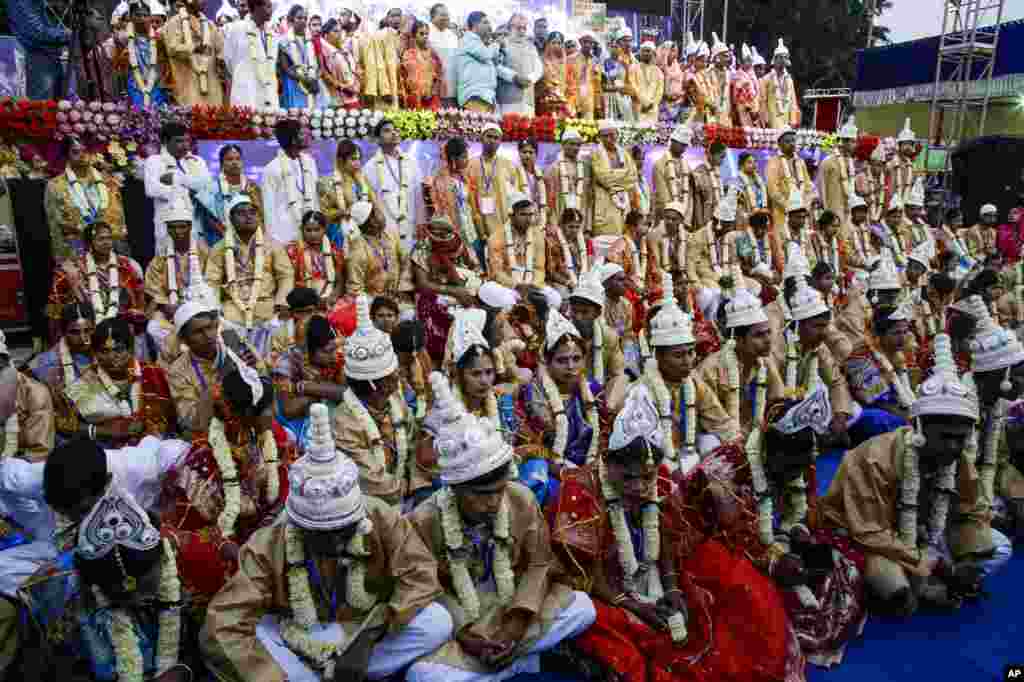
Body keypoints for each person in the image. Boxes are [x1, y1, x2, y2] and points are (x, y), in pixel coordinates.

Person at [552, 384, 803, 682]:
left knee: (738, 584)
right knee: (604, 629)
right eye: (629, 477)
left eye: (646, 476)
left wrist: (671, 587)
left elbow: (668, 539)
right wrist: (631, 604)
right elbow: (582, 573)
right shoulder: (580, 491)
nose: (639, 487)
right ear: (608, 462)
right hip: (604, 590)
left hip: (653, 576)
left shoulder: (658, 481)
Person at [202, 402, 452, 682]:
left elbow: (419, 576)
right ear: (298, 525)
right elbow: (222, 622)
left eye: (342, 531)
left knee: (436, 621)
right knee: (258, 630)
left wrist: (368, 637)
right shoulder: (270, 543)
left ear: (358, 517)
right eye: (321, 534)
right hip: (297, 635)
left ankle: (339, 671)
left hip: (364, 627)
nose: (334, 544)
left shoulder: (379, 517)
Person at [407, 373, 595, 682]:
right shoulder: (424, 519)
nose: (494, 502)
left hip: (514, 606)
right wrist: (467, 637)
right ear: (455, 489)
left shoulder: (518, 498)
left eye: (498, 490)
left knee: (583, 608)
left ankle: (504, 661)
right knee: (421, 675)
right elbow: (428, 589)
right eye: (481, 495)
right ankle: (518, 662)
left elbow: (538, 564)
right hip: (466, 620)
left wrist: (515, 626)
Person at [822, 331, 1013, 615]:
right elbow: (870, 532)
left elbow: (973, 508)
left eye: (960, 438)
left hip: (924, 532)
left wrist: (967, 560)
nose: (953, 446)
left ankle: (933, 582)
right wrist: (936, 564)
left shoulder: (957, 456)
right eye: (945, 436)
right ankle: (924, 585)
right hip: (873, 538)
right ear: (920, 427)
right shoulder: (874, 459)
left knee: (998, 548)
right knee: (896, 595)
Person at [36, 437, 194, 682]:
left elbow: (200, 643)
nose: (133, 596)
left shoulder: (175, 553)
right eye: (120, 590)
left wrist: (182, 671)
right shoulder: (65, 592)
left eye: (141, 584)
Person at [162, 366, 290, 603]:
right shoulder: (203, 463)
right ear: (247, 414)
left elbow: (285, 479)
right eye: (269, 408)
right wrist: (231, 547)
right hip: (227, 542)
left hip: (265, 528)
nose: (275, 412)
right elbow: (189, 531)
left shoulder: (268, 435)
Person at [514, 307, 604, 505]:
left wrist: (592, 467)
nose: (571, 367)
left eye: (576, 359)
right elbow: (527, 445)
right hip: (550, 469)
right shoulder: (532, 395)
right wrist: (563, 470)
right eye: (562, 360)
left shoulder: (593, 390)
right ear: (547, 361)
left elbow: (604, 436)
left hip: (589, 467)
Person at [333, 295, 416, 505]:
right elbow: (371, 481)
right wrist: (406, 487)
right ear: (374, 385)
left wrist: (416, 479)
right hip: (367, 506)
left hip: (406, 490)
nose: (398, 377)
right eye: (392, 375)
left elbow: (413, 443)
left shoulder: (395, 400)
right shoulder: (344, 422)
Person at [63, 318, 176, 448]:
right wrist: (104, 431)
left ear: (131, 349)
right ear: (94, 352)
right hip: (109, 454)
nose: (112, 357)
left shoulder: (153, 373)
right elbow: (64, 424)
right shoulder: (85, 383)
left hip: (158, 448)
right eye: (104, 351)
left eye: (119, 349)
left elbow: (171, 418)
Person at [206, 195, 295, 353]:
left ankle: (273, 374)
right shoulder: (219, 248)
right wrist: (213, 307)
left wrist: (282, 301)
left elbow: (286, 276)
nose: (248, 216)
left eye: (252, 212)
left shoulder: (273, 245)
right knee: (219, 329)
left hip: (267, 307)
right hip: (232, 311)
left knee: (285, 327)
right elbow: (211, 281)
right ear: (231, 219)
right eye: (241, 213)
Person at [46, 222, 145, 344]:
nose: (106, 242)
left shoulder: (126, 266)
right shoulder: (71, 269)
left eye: (109, 238)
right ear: (89, 242)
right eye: (101, 239)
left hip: (124, 325)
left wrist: (135, 315)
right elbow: (55, 307)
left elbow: (139, 299)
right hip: (86, 329)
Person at [143, 205, 211, 361]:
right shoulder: (160, 258)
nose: (178, 231)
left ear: (190, 227)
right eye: (172, 227)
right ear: (167, 229)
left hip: (201, 306)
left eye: (182, 226)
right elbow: (154, 288)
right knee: (153, 328)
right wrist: (167, 304)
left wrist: (196, 304)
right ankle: (178, 359)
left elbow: (213, 282)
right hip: (171, 308)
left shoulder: (205, 252)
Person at [45, 136, 126, 261]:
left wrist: (104, 237)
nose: (82, 155)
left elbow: (118, 216)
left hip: (108, 246)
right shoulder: (55, 186)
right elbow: (56, 223)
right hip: (76, 249)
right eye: (75, 152)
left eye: (85, 151)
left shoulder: (108, 182)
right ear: (66, 155)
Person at [411, 216, 481, 361]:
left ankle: (474, 354)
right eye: (434, 231)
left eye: (442, 232)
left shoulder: (460, 245)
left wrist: (468, 287)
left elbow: (476, 269)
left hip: (463, 286)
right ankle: (448, 357)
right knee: (442, 314)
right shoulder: (422, 248)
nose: (437, 235)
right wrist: (454, 291)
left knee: (478, 311)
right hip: (435, 291)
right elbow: (423, 284)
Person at [143, 122, 211, 251]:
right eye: (179, 141)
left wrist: (176, 179)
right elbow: (152, 190)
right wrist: (190, 187)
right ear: (165, 141)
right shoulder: (154, 161)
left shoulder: (197, 161)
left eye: (187, 141)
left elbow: (207, 187)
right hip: (168, 225)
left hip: (196, 224)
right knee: (168, 265)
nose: (185, 145)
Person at [568, 266, 627, 399]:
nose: (578, 317)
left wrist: (608, 402)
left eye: (584, 312)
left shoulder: (609, 336)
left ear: (597, 313)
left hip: (600, 393)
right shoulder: (561, 335)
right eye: (574, 311)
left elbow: (618, 374)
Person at [367, 118, 422, 254]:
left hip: (411, 224)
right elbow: (370, 201)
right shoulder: (370, 167)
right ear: (378, 139)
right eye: (387, 131)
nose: (393, 133)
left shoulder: (411, 161)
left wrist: (421, 223)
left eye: (395, 130)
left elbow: (418, 195)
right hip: (387, 228)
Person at [428, 137, 485, 267]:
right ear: (453, 159)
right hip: (452, 230)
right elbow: (441, 210)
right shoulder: (441, 179)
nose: (467, 160)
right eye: (464, 157)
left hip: (470, 229)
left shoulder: (464, 177)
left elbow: (471, 205)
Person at [260, 119, 319, 246]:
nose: (308, 136)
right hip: (284, 236)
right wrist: (273, 241)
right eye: (302, 134)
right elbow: (268, 209)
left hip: (311, 233)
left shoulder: (310, 162)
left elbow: (314, 198)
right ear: (293, 140)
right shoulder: (272, 169)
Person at [193, 144, 264, 247]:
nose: (235, 162)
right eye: (229, 159)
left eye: (238, 159)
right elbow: (209, 221)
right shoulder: (211, 190)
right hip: (219, 243)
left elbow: (261, 217)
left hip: (252, 242)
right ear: (221, 164)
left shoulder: (253, 188)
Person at [162, 0, 226, 106]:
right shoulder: (175, 22)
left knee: (214, 117)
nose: (205, 1)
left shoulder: (210, 25)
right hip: (188, 84)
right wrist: (194, 48)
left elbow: (220, 49)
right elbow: (172, 49)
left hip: (212, 84)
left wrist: (221, 60)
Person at [319, 139, 380, 249]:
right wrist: (342, 212)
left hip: (366, 232)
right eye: (353, 159)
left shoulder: (362, 180)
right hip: (342, 233)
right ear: (341, 160)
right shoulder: (328, 182)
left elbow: (374, 204)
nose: (358, 163)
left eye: (359, 159)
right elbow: (323, 213)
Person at [469, 122, 523, 244]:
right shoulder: (470, 164)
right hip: (477, 221)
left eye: (496, 138)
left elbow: (516, 196)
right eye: (489, 136)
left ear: (500, 141)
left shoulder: (509, 165)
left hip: (502, 220)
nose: (492, 141)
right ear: (481, 138)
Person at [285, 211, 345, 310]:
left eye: (317, 230)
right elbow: (289, 281)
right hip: (303, 303)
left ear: (324, 229)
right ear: (302, 230)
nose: (313, 234)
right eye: (308, 230)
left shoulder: (334, 251)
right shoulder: (293, 251)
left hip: (329, 300)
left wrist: (333, 297)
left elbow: (339, 282)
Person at [487, 192, 547, 292]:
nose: (528, 219)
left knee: (555, 299)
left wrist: (534, 285)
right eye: (523, 214)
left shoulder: (537, 235)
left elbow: (539, 268)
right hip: (507, 285)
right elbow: (497, 272)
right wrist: (516, 286)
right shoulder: (496, 237)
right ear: (511, 216)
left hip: (532, 284)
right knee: (502, 297)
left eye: (530, 214)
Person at [224, 0, 278, 108]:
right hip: (245, 91)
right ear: (256, 6)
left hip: (268, 93)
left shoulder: (272, 34)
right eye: (268, 6)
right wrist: (244, 74)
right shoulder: (237, 29)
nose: (271, 10)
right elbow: (228, 60)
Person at [765, 129, 815, 244]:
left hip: (801, 212)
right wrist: (789, 207)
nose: (792, 143)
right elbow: (773, 190)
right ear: (779, 144)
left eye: (793, 140)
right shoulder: (774, 162)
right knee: (784, 243)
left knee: (803, 242)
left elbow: (808, 187)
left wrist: (804, 206)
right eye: (787, 141)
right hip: (783, 212)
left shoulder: (800, 162)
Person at [345, 200, 403, 299]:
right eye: (378, 211)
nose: (382, 213)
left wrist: (402, 289)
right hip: (373, 304)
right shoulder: (357, 251)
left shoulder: (390, 235)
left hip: (397, 298)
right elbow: (355, 290)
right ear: (372, 221)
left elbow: (405, 262)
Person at [592, 121, 639, 237]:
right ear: (599, 137)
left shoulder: (624, 153)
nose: (609, 139)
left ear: (617, 134)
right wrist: (623, 175)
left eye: (612, 135)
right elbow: (604, 178)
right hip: (605, 204)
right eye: (605, 136)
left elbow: (633, 177)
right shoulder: (596, 154)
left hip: (624, 202)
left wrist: (613, 175)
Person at [452, 11, 503, 112]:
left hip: (485, 96)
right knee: (480, 127)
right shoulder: (468, 39)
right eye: (485, 22)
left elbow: (495, 63)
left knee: (489, 127)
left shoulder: (481, 43)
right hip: (474, 96)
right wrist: (496, 44)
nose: (489, 26)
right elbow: (485, 55)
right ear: (475, 25)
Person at [124, 0, 170, 107]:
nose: (142, 18)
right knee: (139, 114)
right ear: (131, 17)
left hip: (156, 83)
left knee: (159, 114)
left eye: (145, 15)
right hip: (136, 84)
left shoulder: (159, 38)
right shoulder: (125, 38)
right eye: (138, 15)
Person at [544, 128, 591, 232]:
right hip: (560, 213)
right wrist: (549, 222)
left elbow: (588, 198)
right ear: (563, 144)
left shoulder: (584, 167)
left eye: (578, 145)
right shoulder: (554, 168)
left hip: (579, 213)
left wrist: (588, 227)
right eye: (572, 144)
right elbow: (549, 198)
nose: (575, 148)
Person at [496, 13, 543, 116]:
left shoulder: (531, 47)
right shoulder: (502, 44)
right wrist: (514, 77)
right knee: (508, 128)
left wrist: (530, 79)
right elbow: (496, 66)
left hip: (527, 98)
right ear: (510, 28)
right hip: (508, 98)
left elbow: (539, 68)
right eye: (518, 28)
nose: (522, 31)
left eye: (524, 28)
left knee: (528, 129)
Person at [359, 7, 402, 110]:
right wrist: (385, 91)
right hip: (385, 86)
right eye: (393, 16)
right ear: (387, 18)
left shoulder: (401, 36)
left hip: (398, 82)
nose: (396, 19)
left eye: (399, 16)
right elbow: (376, 64)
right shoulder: (380, 35)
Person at [277, 5, 320, 108]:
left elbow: (316, 64)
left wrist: (314, 78)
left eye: (305, 18)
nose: (303, 21)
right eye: (299, 18)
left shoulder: (310, 40)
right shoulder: (284, 41)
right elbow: (286, 68)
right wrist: (304, 79)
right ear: (291, 20)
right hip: (293, 84)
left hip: (311, 83)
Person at [820, 116, 858, 226]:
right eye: (853, 142)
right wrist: (826, 210)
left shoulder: (851, 162)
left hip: (848, 208)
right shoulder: (828, 162)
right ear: (844, 142)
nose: (855, 145)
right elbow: (822, 187)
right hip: (833, 209)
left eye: (855, 142)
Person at [652, 125, 694, 224]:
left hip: (684, 215)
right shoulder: (659, 164)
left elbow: (690, 193)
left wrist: (685, 215)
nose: (684, 148)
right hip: (667, 218)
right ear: (673, 141)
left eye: (685, 145)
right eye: (682, 144)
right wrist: (674, 217)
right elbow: (663, 197)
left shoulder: (686, 165)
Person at [268, 286, 321, 363]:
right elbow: (276, 362)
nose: (304, 316)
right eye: (299, 312)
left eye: (309, 311)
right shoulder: (280, 334)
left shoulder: (327, 328)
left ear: (316, 310)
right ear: (292, 313)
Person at [317, 18, 361, 108]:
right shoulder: (324, 51)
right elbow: (324, 73)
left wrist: (356, 83)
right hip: (338, 100)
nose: (339, 34)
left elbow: (354, 69)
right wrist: (343, 87)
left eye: (340, 31)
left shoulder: (343, 50)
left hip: (353, 96)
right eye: (335, 31)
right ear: (326, 35)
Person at [402, 19, 445, 110]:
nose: (425, 36)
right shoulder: (407, 54)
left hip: (431, 99)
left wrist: (433, 91)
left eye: (426, 34)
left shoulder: (433, 55)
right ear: (414, 36)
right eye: (421, 34)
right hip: (413, 99)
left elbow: (439, 75)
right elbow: (404, 77)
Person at [759, 38, 800, 129]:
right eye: (780, 57)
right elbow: (763, 102)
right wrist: (765, 120)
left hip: (786, 122)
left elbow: (793, 103)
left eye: (785, 57)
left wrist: (793, 120)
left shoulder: (789, 80)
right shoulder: (766, 79)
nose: (783, 60)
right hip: (771, 121)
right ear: (775, 59)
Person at [536, 32, 577, 118]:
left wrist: (569, 102)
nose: (556, 45)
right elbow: (536, 82)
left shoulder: (566, 63)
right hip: (544, 104)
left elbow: (571, 85)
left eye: (559, 43)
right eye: (553, 42)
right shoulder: (540, 61)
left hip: (564, 104)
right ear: (548, 44)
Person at [428, 3, 459, 106]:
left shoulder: (453, 36)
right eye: (442, 15)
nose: (446, 18)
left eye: (447, 15)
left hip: (452, 87)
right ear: (432, 17)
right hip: (432, 87)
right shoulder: (425, 32)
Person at [692, 141, 727, 232]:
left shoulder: (717, 173)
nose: (723, 160)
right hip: (703, 220)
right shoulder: (698, 172)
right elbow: (696, 202)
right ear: (710, 155)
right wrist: (700, 226)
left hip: (717, 219)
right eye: (721, 157)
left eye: (724, 157)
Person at [601, 29, 634, 122]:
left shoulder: (634, 60)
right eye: (624, 41)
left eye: (630, 40)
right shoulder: (609, 61)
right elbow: (603, 86)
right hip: (614, 100)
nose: (628, 44)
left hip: (630, 101)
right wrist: (618, 88)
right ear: (618, 43)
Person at [886, 118, 918, 209]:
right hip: (891, 204)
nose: (908, 147)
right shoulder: (891, 163)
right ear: (899, 146)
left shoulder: (912, 166)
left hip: (906, 203)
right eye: (905, 144)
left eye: (910, 144)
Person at [703, 33, 731, 126]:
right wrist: (714, 106)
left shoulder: (729, 74)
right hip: (711, 114)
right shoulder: (707, 73)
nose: (728, 58)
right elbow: (705, 95)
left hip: (726, 115)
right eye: (725, 56)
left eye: (728, 55)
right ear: (717, 57)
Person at [855, 143, 888, 224]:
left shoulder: (882, 179)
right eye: (875, 165)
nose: (877, 168)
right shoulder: (861, 176)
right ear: (870, 164)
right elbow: (862, 193)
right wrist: (876, 189)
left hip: (878, 215)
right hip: (863, 215)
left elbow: (882, 200)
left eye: (880, 166)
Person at [731, 43, 762, 127]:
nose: (749, 63)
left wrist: (755, 108)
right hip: (743, 110)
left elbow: (757, 93)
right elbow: (736, 97)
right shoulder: (737, 76)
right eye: (747, 60)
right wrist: (748, 106)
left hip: (755, 110)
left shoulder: (753, 76)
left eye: (750, 60)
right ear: (740, 62)